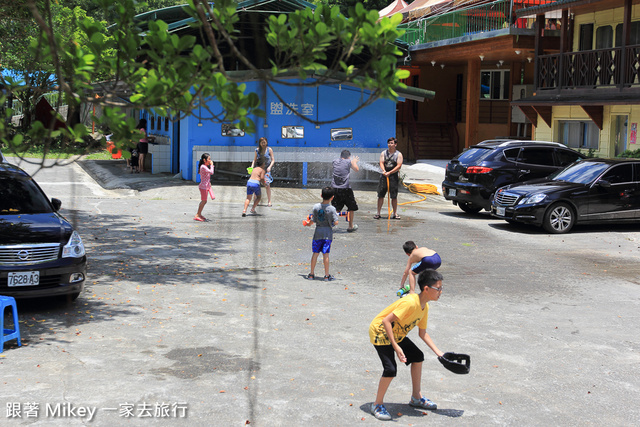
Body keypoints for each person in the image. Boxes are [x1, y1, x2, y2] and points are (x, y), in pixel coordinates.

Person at [369, 269, 445, 421]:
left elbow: (422, 333)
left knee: (418, 356)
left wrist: (440, 353)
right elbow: (386, 321)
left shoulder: (425, 307)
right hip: (381, 332)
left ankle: (416, 398)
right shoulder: (410, 303)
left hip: (397, 333)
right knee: (390, 369)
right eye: (438, 288)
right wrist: (396, 347)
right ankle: (377, 404)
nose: (441, 292)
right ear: (426, 289)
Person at [305, 186, 340, 281]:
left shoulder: (316, 207)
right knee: (326, 254)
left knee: (315, 253)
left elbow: (313, 220)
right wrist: (332, 222)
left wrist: (308, 223)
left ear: (321, 195)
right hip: (327, 234)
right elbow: (336, 222)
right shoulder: (332, 209)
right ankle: (326, 275)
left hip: (318, 233)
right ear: (332, 197)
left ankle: (311, 274)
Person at [331, 149, 360, 232]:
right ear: (349, 157)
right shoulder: (349, 162)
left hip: (334, 188)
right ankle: (350, 226)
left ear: (340, 156)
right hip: (345, 188)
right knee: (351, 207)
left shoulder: (335, 161)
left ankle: (331, 222)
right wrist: (354, 161)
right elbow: (356, 169)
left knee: (335, 207)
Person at [375, 137, 404, 220]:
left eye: (392, 143)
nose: (390, 145)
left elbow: (399, 166)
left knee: (394, 196)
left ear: (395, 144)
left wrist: (390, 172)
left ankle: (395, 214)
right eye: (389, 143)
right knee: (380, 195)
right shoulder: (383, 153)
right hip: (384, 175)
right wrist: (384, 171)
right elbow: (381, 162)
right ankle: (378, 213)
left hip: (393, 176)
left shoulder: (398, 154)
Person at [251, 137, 275, 206]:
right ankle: (255, 200)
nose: (263, 144)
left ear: (266, 142)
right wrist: (252, 167)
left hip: (266, 170)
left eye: (264, 142)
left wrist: (270, 167)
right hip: (258, 170)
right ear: (260, 143)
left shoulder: (269, 150)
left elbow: (273, 160)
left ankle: (269, 201)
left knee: (267, 185)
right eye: (262, 143)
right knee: (256, 184)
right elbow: (254, 160)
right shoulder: (257, 150)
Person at [195, 153, 215, 222]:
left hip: (205, 186)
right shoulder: (203, 167)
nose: (210, 160)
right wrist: (212, 165)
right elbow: (211, 172)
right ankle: (197, 215)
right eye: (209, 159)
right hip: (203, 187)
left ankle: (199, 214)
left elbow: (207, 176)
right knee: (204, 201)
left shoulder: (205, 166)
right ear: (204, 160)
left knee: (204, 201)